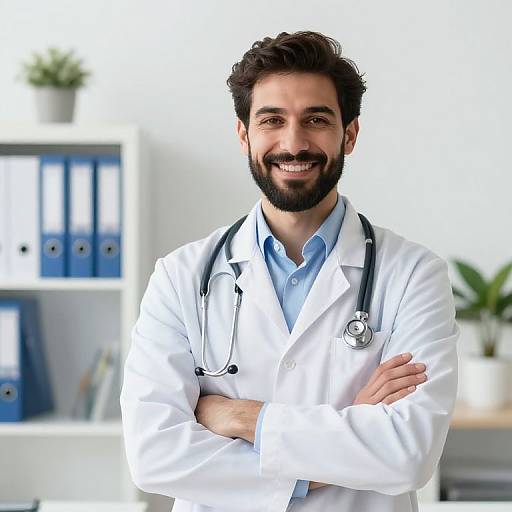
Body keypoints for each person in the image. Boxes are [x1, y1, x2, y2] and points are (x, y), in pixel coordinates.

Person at [120, 31, 459, 512]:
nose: (293, 143)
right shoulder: (179, 277)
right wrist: (338, 446)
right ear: (245, 135)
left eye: (316, 119)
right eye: (272, 120)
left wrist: (241, 417)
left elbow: (408, 454)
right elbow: (154, 456)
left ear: (350, 134)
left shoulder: (413, 275)